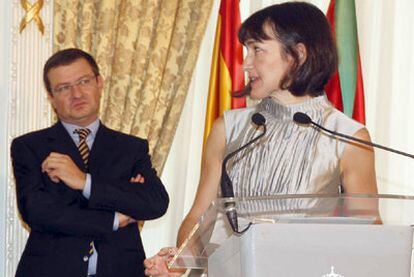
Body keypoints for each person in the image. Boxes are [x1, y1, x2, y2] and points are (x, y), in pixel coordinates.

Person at [144, 2, 377, 276]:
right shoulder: (227, 129)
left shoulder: (348, 137)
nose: (245, 63)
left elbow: (368, 235)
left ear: (297, 55)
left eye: (257, 49)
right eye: (247, 50)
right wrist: (179, 260)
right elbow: (200, 217)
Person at [11, 48, 169, 277]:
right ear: (51, 97)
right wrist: (116, 216)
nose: (76, 94)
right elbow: (38, 212)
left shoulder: (131, 148)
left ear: (99, 82)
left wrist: (84, 182)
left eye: (83, 81)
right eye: (64, 88)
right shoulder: (30, 147)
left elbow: (155, 203)